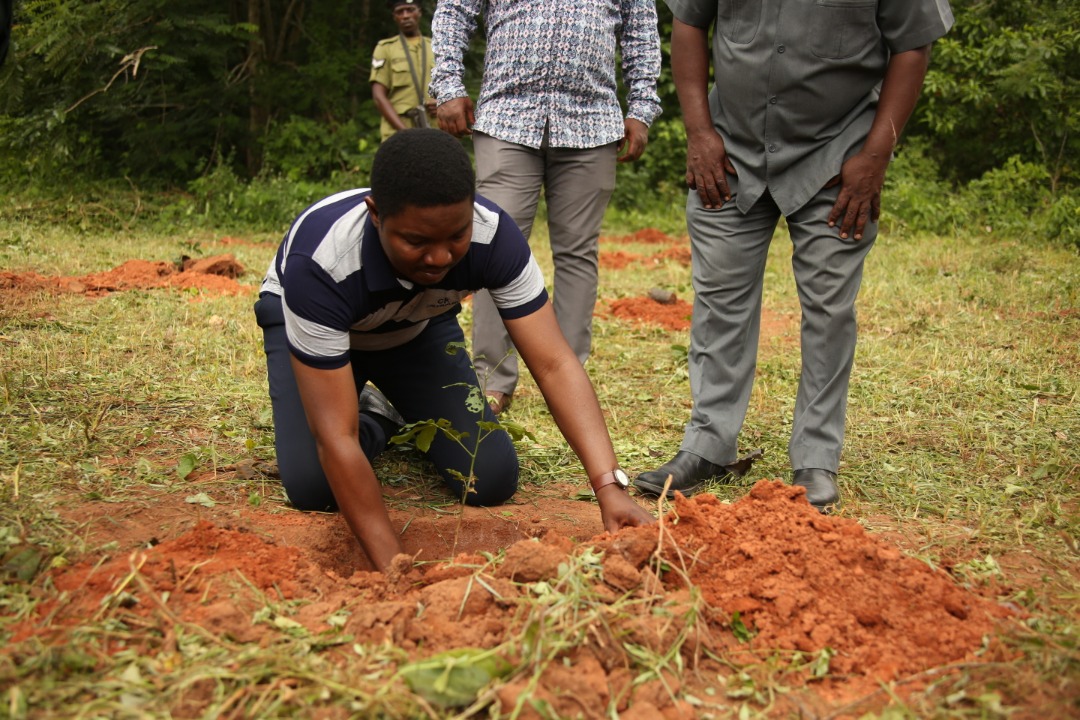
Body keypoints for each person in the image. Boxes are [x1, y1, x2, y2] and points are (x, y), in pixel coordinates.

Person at [254, 129, 654, 573]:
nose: (441, 258)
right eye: (417, 242)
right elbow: (335, 436)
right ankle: (375, 419)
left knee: (490, 478)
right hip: (323, 336)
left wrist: (608, 485)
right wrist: (395, 568)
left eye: (456, 236)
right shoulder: (323, 262)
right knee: (314, 487)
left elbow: (555, 362)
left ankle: (389, 411)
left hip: (414, 327)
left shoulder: (494, 236)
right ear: (375, 215)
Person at [635, 0, 954, 512]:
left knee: (829, 309)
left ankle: (816, 457)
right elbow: (689, 21)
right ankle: (707, 445)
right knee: (719, 300)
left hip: (838, 160)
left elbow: (912, 45)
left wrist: (874, 156)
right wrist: (699, 133)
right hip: (730, 154)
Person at [430, 0, 662, 416]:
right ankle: (491, 379)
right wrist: (447, 85)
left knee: (577, 252)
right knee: (490, 246)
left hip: (592, 121)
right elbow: (453, 11)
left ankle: (568, 380)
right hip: (507, 116)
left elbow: (641, 33)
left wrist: (642, 108)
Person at [369, 0, 435, 140]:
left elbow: (451, 89)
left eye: (410, 9)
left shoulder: (436, 48)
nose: (405, 16)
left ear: (419, 13)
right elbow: (379, 96)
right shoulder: (385, 48)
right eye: (400, 12)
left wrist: (440, 104)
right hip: (398, 133)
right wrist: (405, 133)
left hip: (434, 130)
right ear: (394, 17)